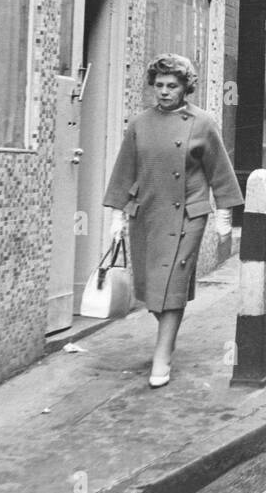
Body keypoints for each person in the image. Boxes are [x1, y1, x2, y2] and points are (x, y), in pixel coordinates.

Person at [102, 53, 244, 388]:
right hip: (147, 213)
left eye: (172, 86)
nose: (164, 92)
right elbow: (124, 171)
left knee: (172, 285)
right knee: (153, 289)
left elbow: (220, 172)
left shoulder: (202, 122)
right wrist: (116, 215)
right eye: (159, 85)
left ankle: (162, 353)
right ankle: (168, 336)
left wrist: (224, 217)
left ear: (185, 87)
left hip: (187, 215)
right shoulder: (139, 124)